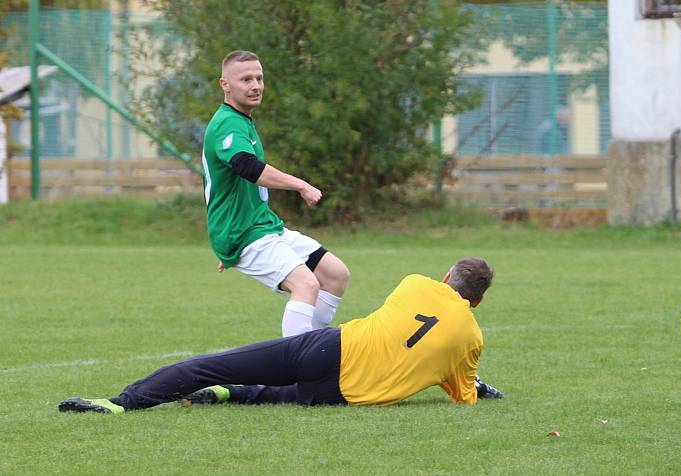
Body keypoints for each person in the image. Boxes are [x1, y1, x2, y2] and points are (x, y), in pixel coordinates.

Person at [58, 258, 504, 414]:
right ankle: (226, 396)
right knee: (276, 396)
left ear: (445, 276)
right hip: (344, 397)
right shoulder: (472, 337)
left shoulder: (414, 283)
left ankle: (122, 403)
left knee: (213, 363)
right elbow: (462, 392)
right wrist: (478, 387)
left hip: (329, 349)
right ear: (477, 302)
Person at [201, 49, 350, 337]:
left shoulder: (241, 120)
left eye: (259, 77)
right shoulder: (227, 123)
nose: (255, 85)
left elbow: (224, 184)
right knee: (306, 284)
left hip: (261, 226)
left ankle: (308, 349)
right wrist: (301, 185)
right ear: (225, 84)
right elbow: (247, 167)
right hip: (245, 233)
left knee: (335, 274)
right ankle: (294, 367)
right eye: (246, 79)